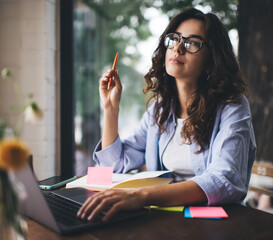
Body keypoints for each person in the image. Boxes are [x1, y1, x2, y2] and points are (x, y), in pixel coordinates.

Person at [77, 7, 256, 222]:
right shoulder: (159, 110)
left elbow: (223, 179)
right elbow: (113, 166)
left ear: (211, 62)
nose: (178, 47)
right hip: (164, 218)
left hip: (215, 222)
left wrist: (140, 196)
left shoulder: (232, 107)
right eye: (175, 39)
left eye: (192, 43)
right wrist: (110, 109)